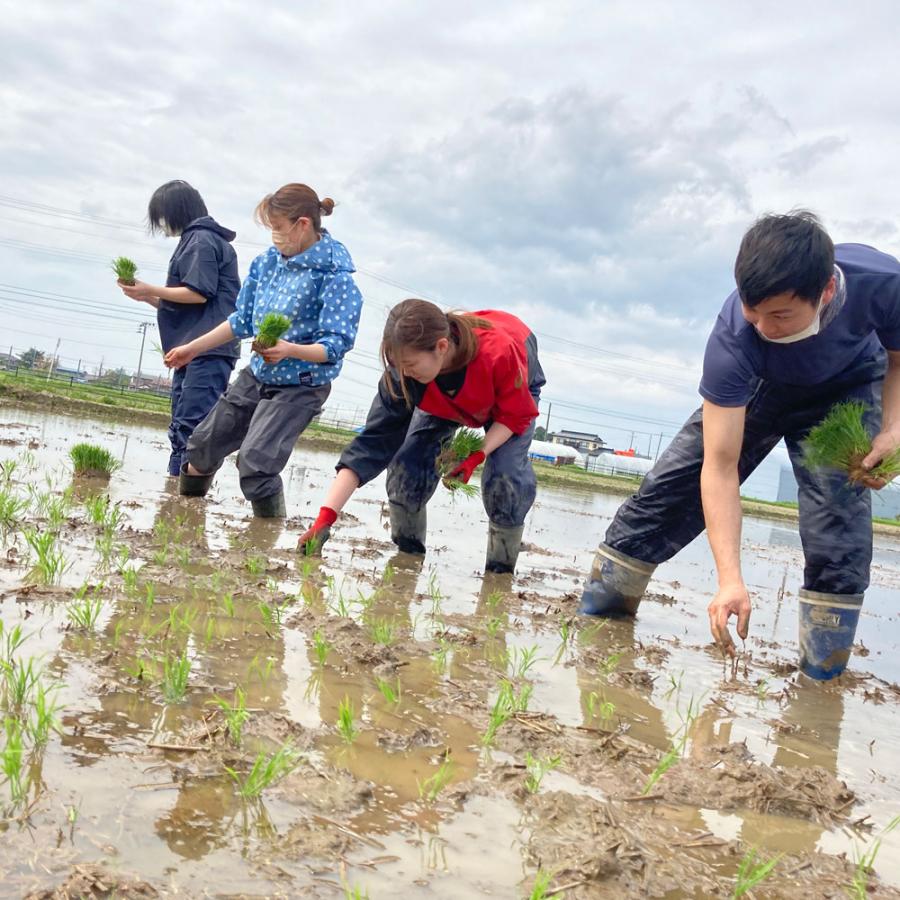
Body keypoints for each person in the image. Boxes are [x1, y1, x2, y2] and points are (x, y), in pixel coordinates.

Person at [579, 211, 900, 680]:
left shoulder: (884, 284)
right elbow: (719, 466)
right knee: (668, 492)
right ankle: (600, 618)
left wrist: (892, 427)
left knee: (840, 527)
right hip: (759, 384)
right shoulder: (735, 338)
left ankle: (821, 676)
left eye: (781, 315)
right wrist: (730, 579)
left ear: (826, 291)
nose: (766, 327)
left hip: (845, 391)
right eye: (755, 313)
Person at [297, 298, 546, 573]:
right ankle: (408, 557)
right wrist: (324, 520)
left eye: (410, 364)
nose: (404, 373)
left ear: (441, 347)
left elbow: (513, 416)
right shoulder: (406, 376)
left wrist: (476, 455)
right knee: (407, 463)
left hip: (509, 394)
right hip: (443, 399)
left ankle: (499, 572)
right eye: (397, 364)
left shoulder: (498, 353)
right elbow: (369, 445)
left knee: (506, 475)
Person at [163, 183, 363, 517]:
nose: (274, 237)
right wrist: (191, 349)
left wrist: (289, 349)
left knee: (256, 463)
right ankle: (182, 522)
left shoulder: (335, 277)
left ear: (302, 224)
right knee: (200, 447)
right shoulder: (267, 264)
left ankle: (266, 544)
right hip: (257, 375)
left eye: (278, 229)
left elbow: (334, 346)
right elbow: (241, 321)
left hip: (301, 385)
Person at [119, 180, 240, 476]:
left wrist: (153, 288)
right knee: (183, 425)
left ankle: (183, 501)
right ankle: (178, 497)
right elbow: (190, 304)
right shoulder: (197, 239)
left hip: (207, 351)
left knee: (192, 427)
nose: (160, 225)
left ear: (175, 211)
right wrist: (148, 296)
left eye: (161, 217)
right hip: (193, 349)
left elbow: (198, 292)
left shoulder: (200, 239)